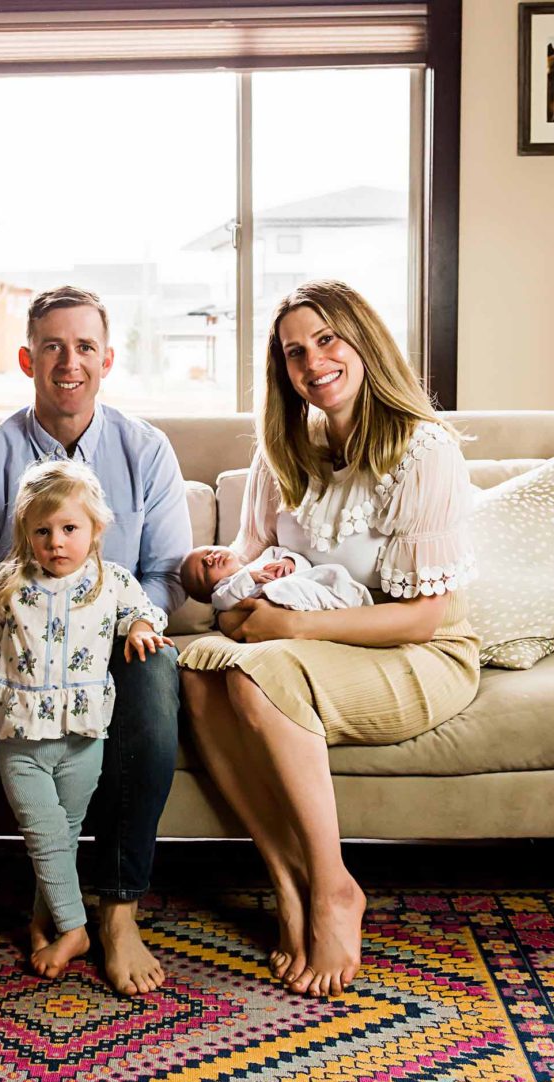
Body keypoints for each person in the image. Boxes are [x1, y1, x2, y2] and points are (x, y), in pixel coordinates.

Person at [178, 280, 479, 998]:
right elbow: (244, 570)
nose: (313, 362)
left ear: (364, 341)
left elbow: (423, 619)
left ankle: (336, 887)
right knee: (194, 670)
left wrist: (293, 624)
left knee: (255, 674)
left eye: (328, 339)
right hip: (306, 642)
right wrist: (221, 584)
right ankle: (286, 880)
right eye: (294, 352)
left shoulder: (422, 451)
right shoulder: (282, 453)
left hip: (415, 654)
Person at [0, 285, 191, 1003]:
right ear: (30, 358)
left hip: (110, 636)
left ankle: (117, 912)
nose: (70, 362)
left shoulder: (146, 450)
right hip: (10, 638)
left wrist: (134, 625)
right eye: (54, 347)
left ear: (107, 359)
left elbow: (161, 576)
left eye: (85, 346)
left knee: (156, 677)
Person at [0, 458, 173, 979]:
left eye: (69, 528)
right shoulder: (10, 584)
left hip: (85, 733)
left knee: (64, 828)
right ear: (26, 535)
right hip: (20, 733)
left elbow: (144, 610)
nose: (56, 541)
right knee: (42, 831)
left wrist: (145, 626)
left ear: (96, 530)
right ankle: (79, 927)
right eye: (43, 531)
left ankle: (50, 921)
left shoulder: (113, 581)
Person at [180, 544, 373, 612]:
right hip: (280, 598)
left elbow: (292, 557)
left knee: (334, 572)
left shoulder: (266, 556)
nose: (210, 559)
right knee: (278, 589)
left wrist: (289, 562)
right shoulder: (224, 591)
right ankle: (338, 605)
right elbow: (223, 601)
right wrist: (250, 577)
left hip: (302, 582)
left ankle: (351, 601)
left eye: (209, 551)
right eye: (204, 568)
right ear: (210, 589)